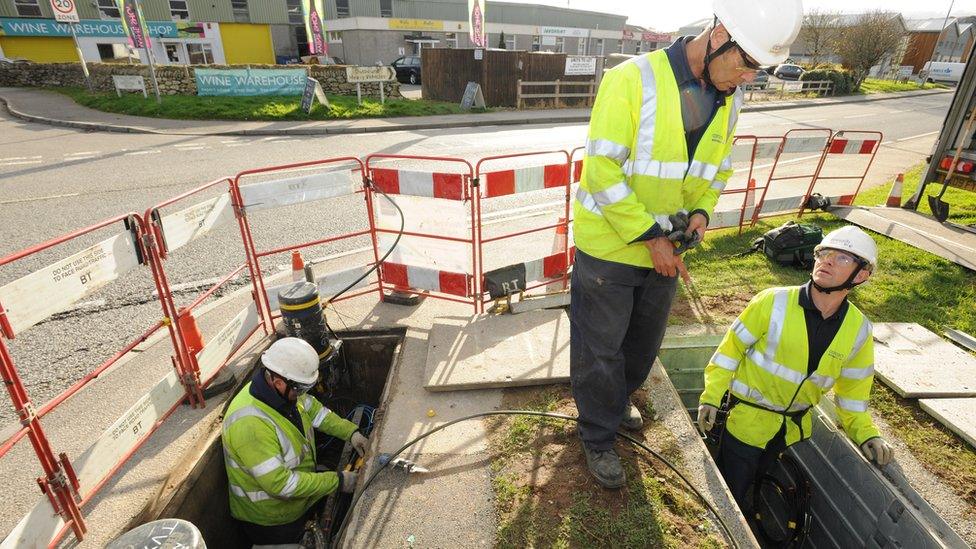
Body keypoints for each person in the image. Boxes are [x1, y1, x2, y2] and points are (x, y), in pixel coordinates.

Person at [570, 0, 804, 489]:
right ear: (718, 34)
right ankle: (597, 437)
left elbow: (714, 170)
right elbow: (601, 172)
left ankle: (620, 400)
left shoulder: (730, 98)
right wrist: (650, 236)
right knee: (600, 348)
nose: (746, 78)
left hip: (665, 250)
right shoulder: (632, 79)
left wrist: (699, 212)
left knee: (642, 343)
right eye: (745, 63)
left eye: (757, 71)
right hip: (611, 249)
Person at [697, 226, 895, 508]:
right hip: (745, 424)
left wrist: (866, 433)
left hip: (788, 430)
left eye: (841, 259)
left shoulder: (859, 329)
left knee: (758, 479)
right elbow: (729, 353)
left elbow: (853, 393)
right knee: (732, 490)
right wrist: (711, 397)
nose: (826, 261)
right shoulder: (773, 301)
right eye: (824, 253)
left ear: (861, 275)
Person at [222, 337, 369, 546]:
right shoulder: (250, 425)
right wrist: (339, 481)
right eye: (300, 390)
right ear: (279, 382)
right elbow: (281, 484)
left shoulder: (280, 390)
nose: (302, 395)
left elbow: (317, 413)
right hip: (272, 520)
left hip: (295, 502)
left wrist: (351, 432)